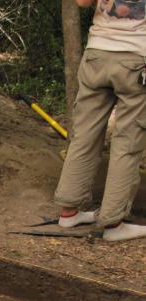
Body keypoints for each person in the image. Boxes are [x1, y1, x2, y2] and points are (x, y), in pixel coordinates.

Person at [56, 0, 146, 241]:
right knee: (127, 143)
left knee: (84, 135)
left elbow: (82, 1)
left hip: (97, 55)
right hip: (136, 57)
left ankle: (68, 211)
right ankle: (114, 224)